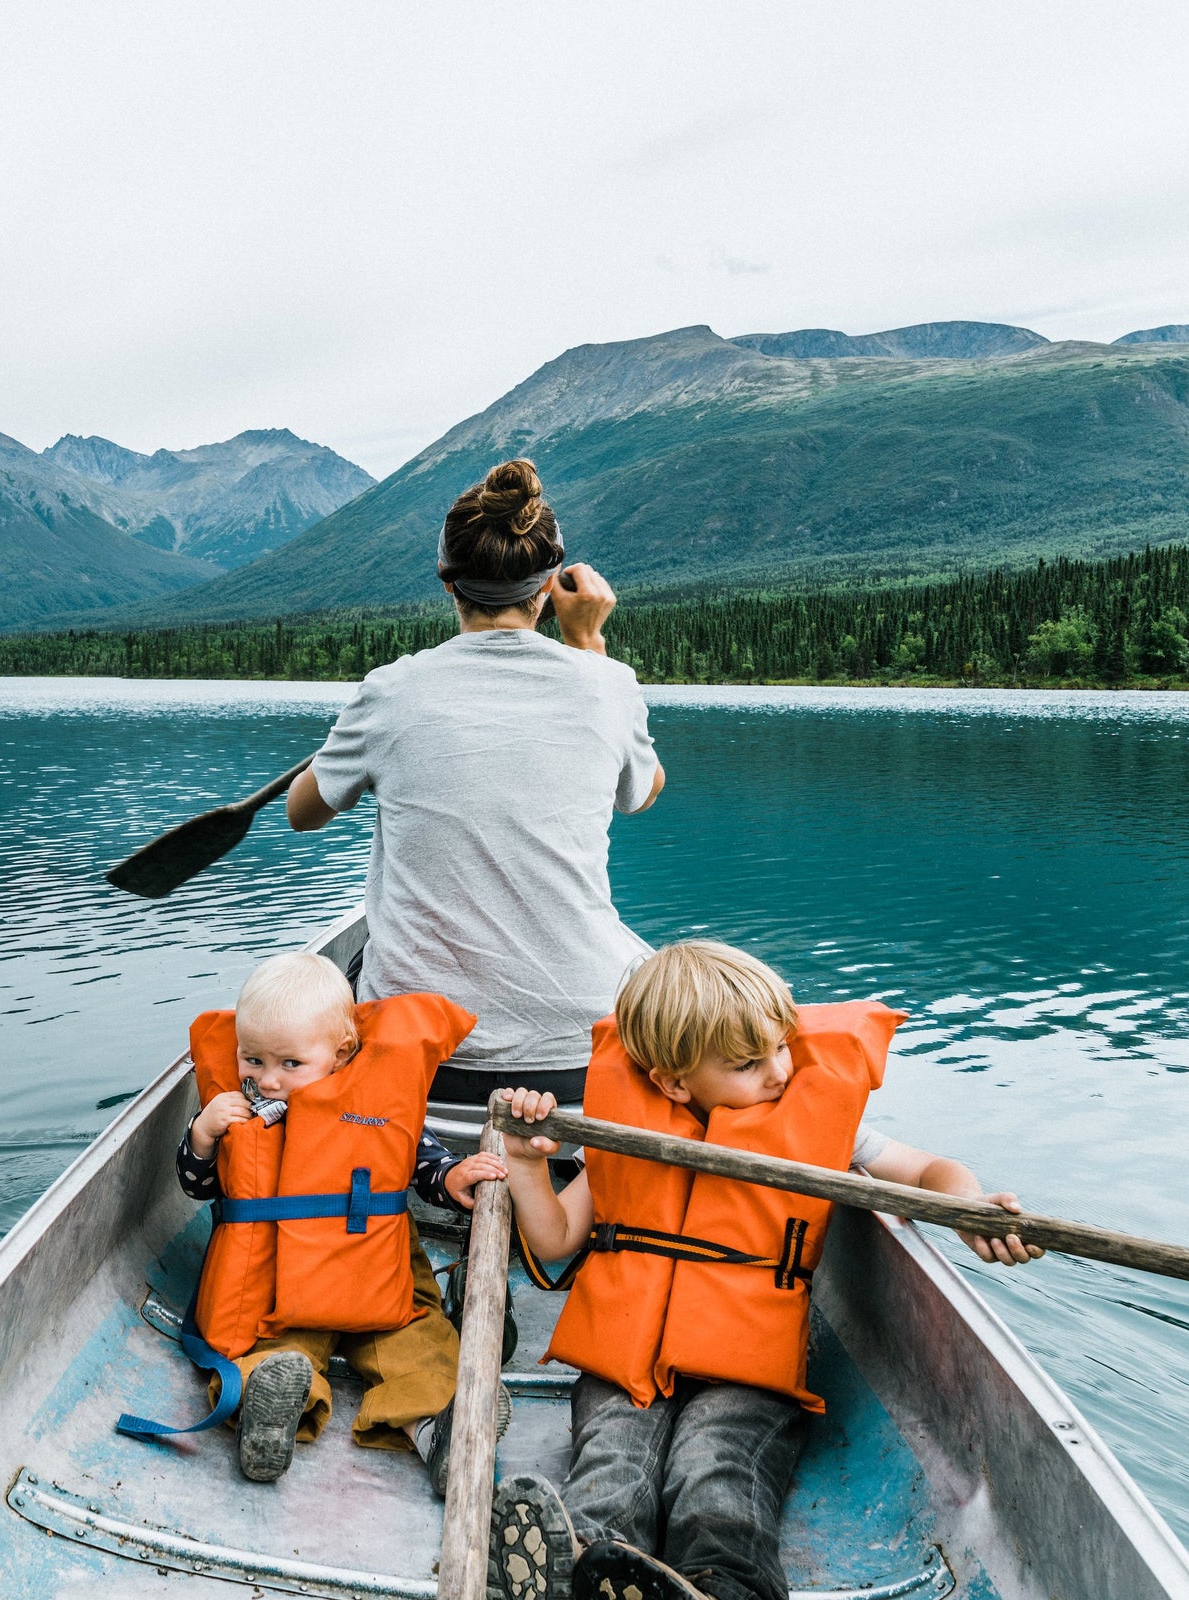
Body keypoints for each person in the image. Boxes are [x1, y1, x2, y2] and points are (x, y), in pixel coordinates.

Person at [488, 942, 1042, 1600]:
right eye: (750, 1064)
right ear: (671, 1082)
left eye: (782, 1046)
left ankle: (723, 1587)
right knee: (613, 1464)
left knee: (715, 1472)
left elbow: (925, 1172)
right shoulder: (621, 1130)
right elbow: (554, 1242)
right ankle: (584, 1566)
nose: (781, 1071)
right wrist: (525, 1166)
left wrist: (967, 1207)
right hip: (623, 1365)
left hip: (746, 1374)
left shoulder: (816, 1122)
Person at [285, 458, 665, 1104]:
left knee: (351, 969)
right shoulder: (607, 682)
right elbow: (644, 792)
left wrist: (355, 748)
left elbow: (303, 813)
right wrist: (589, 644)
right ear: (550, 586)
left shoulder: (391, 690)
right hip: (581, 1055)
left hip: (421, 1059)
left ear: (446, 581)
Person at [129, 952, 510, 1493]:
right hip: (278, 1294)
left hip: (378, 1283)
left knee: (419, 1348)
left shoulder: (374, 1102)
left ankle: (439, 1433)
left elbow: (420, 1163)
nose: (268, 1080)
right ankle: (268, 1417)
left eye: (290, 1064)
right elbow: (200, 1186)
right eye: (252, 1060)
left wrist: (451, 1180)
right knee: (268, 1355)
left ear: (342, 1052)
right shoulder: (241, 1110)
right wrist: (201, 1136)